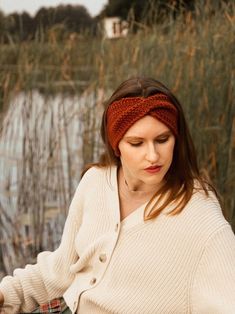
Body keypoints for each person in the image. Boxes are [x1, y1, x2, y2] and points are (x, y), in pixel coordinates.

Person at [0, 77, 235, 314]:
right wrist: (7, 294)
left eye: (163, 140)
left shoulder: (202, 217)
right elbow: (61, 270)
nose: (153, 156)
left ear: (177, 138)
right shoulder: (95, 181)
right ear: (116, 145)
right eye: (137, 143)